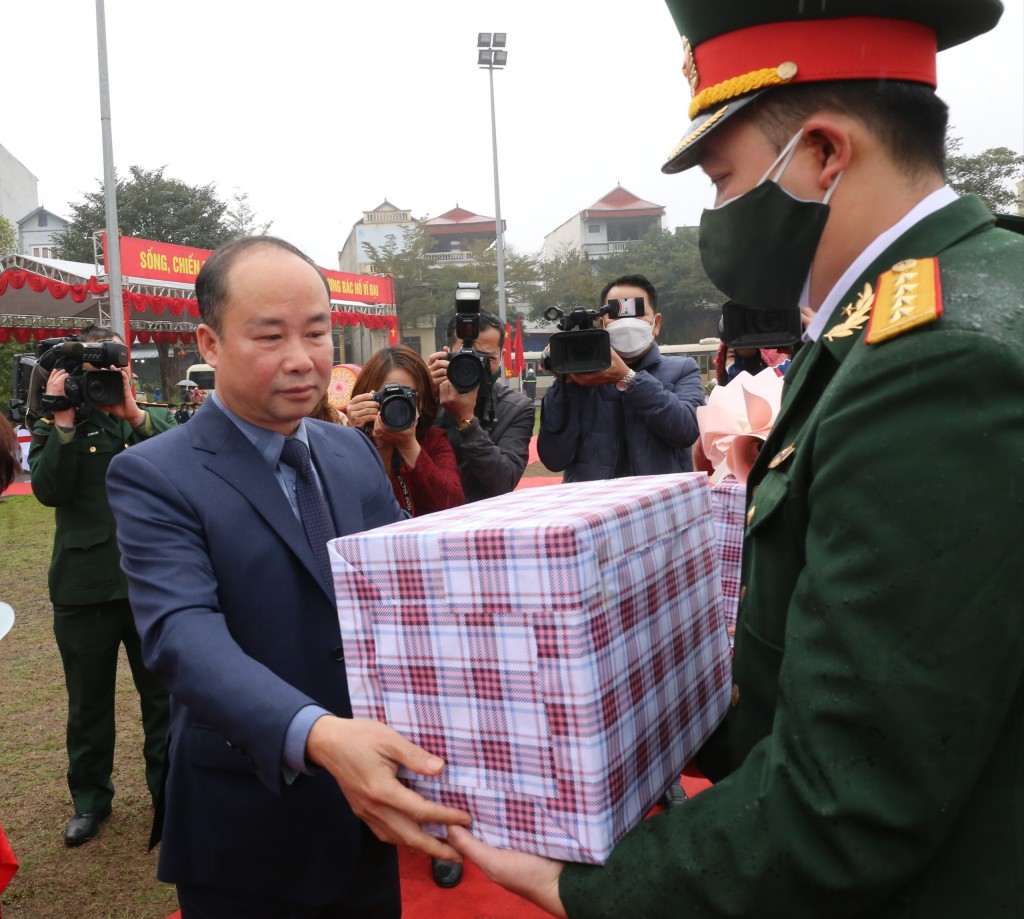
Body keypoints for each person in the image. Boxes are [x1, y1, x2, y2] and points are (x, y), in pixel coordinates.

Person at [447, 2, 1024, 917]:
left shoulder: (932, 358)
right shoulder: (926, 306)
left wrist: (588, 889)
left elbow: (849, 796)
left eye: (722, 179)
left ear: (825, 155)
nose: (715, 215)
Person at [105, 236, 470, 917]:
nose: (302, 359)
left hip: (366, 814)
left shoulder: (350, 450)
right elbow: (182, 635)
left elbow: (406, 581)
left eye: (317, 332)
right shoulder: (155, 474)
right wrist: (318, 734)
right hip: (249, 820)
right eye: (270, 336)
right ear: (210, 344)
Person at [28, 324, 173, 848]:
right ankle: (90, 801)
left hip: (150, 585)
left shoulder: (145, 418)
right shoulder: (57, 421)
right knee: (88, 706)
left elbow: (180, 467)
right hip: (84, 587)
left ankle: (171, 798)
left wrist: (132, 414)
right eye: (93, 376)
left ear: (127, 369)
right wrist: (62, 418)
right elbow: (47, 491)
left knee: (163, 702)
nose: (104, 383)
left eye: (113, 371)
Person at [536, 274, 705, 481]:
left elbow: (686, 431)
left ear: (656, 323)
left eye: (637, 314)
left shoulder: (683, 368)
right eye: (616, 314)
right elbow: (554, 458)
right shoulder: (580, 377)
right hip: (595, 506)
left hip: (657, 503)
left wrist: (628, 378)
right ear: (602, 323)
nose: (627, 323)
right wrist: (564, 385)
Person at [427, 311, 534, 503]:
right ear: (446, 353)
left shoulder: (516, 407)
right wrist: (422, 398)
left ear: (501, 357)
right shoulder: (425, 398)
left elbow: (504, 481)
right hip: (428, 517)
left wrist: (466, 421)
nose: (476, 366)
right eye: (466, 357)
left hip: (485, 522)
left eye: (487, 359)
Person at [347, 345, 464, 516]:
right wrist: (356, 437)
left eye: (409, 396)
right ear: (368, 397)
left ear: (423, 401)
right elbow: (348, 505)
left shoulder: (433, 441)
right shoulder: (346, 444)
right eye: (388, 397)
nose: (398, 406)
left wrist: (409, 447)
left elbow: (453, 504)